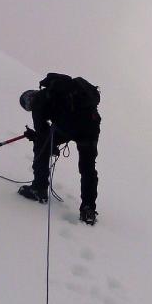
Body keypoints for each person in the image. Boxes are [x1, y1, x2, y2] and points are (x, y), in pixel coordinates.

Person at [17, 74, 101, 225]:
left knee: (41, 149)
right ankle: (88, 209)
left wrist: (39, 139)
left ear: (29, 100)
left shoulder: (38, 101)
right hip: (91, 125)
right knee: (88, 168)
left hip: (69, 126)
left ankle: (39, 189)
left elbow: (43, 133)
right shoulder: (59, 91)